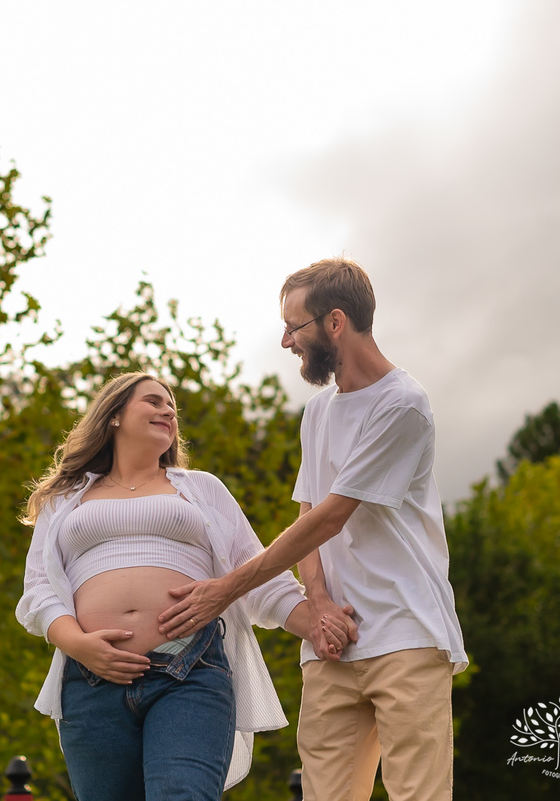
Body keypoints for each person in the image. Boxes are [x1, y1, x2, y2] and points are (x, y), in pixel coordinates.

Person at [158, 258, 468, 801]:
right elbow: (308, 516)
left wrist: (226, 589)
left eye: (293, 327)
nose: (286, 341)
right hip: (333, 647)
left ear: (335, 322)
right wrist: (318, 603)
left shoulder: (403, 405)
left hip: (407, 636)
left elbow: (332, 515)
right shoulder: (318, 412)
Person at [16, 372, 356, 801]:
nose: (167, 411)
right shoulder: (65, 498)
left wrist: (318, 624)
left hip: (189, 671)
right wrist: (78, 644)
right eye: (154, 401)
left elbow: (255, 576)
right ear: (114, 415)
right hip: (91, 680)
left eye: (172, 407)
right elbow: (39, 589)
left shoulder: (201, 489)